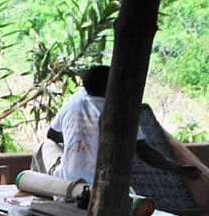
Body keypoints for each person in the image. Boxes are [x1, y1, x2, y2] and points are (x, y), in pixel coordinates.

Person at [38, 65, 199, 184]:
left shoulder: (72, 104)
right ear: (113, 86)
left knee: (45, 147)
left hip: (67, 184)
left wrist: (79, 137)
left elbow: (52, 135)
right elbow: (144, 152)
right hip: (104, 185)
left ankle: (44, 193)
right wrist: (179, 169)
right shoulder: (122, 113)